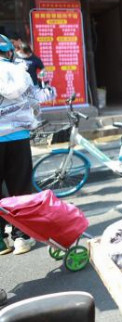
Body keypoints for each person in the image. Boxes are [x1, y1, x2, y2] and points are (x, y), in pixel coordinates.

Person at [0, 34, 56, 255]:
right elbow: (34, 101)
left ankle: (1, 242)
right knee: (20, 189)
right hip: (18, 138)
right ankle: (21, 237)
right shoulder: (19, 72)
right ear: (9, 52)